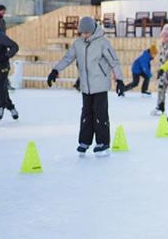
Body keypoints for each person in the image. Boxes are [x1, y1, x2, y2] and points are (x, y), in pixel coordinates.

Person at [48, 16, 124, 155]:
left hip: (100, 84)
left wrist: (119, 80)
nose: (84, 35)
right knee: (86, 114)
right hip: (85, 86)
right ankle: (84, 141)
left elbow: (114, 61)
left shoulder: (103, 43)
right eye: (82, 33)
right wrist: (55, 70)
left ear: (93, 30)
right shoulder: (78, 44)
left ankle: (103, 142)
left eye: (86, 33)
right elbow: (67, 58)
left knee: (100, 114)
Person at [153, 24, 168, 116]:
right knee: (160, 90)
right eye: (163, 36)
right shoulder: (162, 45)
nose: (164, 38)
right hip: (162, 72)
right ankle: (160, 107)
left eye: (166, 36)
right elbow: (160, 59)